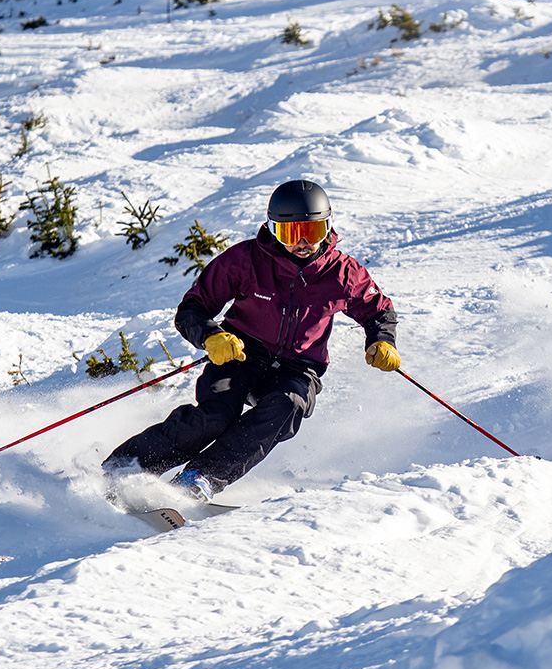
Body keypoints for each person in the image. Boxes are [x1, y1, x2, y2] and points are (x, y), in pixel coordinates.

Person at [102, 179, 400, 504]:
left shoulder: (342, 273)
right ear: (272, 229)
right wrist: (212, 336)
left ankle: (200, 476)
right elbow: (193, 308)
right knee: (216, 417)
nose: (303, 243)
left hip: (298, 367)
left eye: (313, 231)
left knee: (288, 405)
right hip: (240, 353)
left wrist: (382, 340)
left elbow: (378, 311)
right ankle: (126, 466)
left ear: (327, 228)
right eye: (291, 233)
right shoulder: (246, 260)